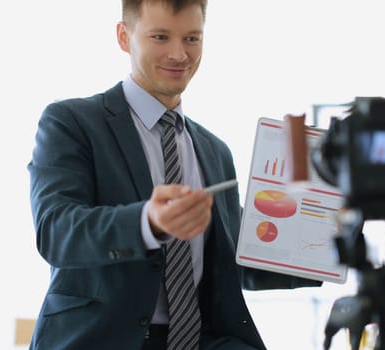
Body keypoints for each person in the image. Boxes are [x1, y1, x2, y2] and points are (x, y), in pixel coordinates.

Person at [27, 1, 320, 349]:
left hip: (200, 341)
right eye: (161, 36)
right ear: (124, 37)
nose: (179, 54)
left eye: (192, 38)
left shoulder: (215, 150)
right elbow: (56, 231)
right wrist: (147, 222)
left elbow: (235, 263)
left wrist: (325, 248)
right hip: (99, 339)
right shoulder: (72, 122)